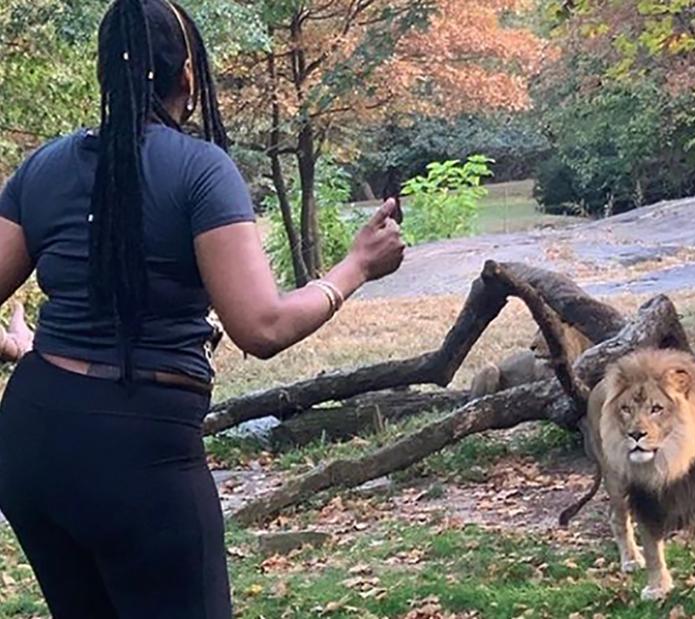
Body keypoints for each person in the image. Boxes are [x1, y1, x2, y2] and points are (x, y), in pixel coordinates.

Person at [0, 1, 405, 617]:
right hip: (140, 455)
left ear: (106, 72)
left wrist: (29, 352)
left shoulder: (44, 168)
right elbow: (261, 327)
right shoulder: (199, 169)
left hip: (32, 441)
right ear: (188, 77)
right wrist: (355, 268)